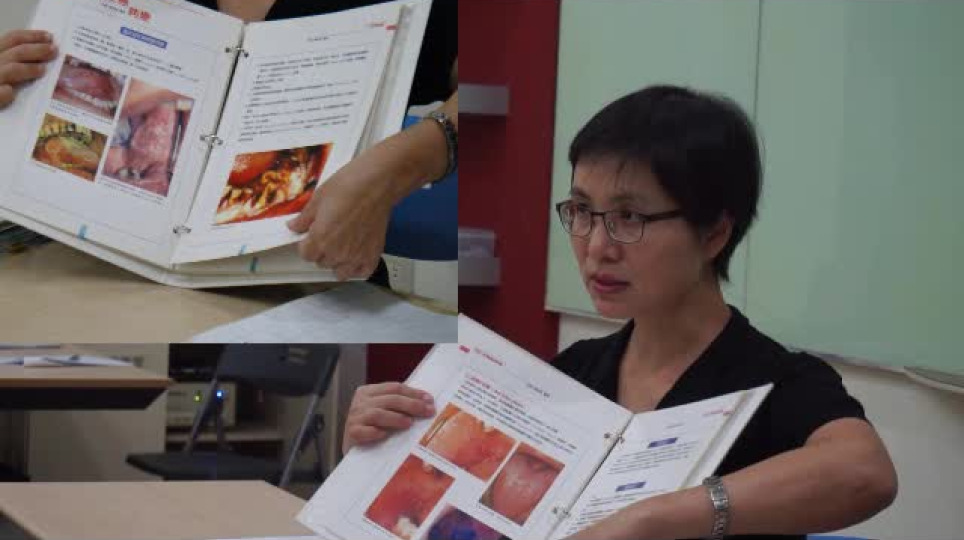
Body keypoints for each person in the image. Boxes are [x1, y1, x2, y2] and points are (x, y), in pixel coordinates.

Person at [341, 86, 898, 540]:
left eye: (629, 217)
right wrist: (376, 450)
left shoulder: (776, 382)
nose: (596, 247)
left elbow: (865, 473)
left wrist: (656, 518)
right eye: (582, 211)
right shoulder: (573, 374)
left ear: (713, 233)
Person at [0, 0, 457, 281]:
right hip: (90, 270)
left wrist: (412, 157)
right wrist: (19, 87)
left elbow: (495, 89)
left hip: (306, 283)